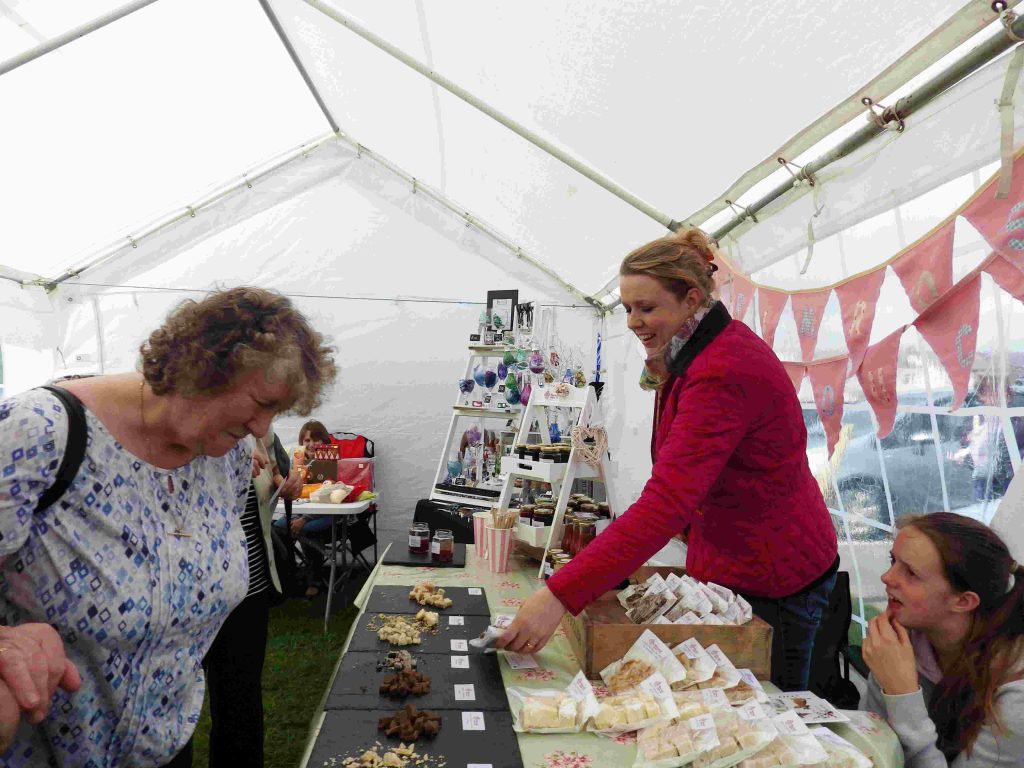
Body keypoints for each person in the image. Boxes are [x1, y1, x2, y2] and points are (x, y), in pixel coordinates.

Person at [0, 286, 336, 767]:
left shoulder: (230, 457)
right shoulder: (38, 432)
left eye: (276, 413)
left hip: (166, 750)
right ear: (203, 369)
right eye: (261, 403)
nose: (263, 429)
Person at [498, 228, 838, 691]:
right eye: (628, 309)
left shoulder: (723, 368)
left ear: (691, 298)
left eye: (647, 307)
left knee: (763, 707)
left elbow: (668, 501)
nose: (635, 321)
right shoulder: (687, 352)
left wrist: (560, 594)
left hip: (776, 573)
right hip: (730, 559)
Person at [862, 512, 1024, 766]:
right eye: (893, 560)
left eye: (911, 573)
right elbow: (870, 747)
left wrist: (902, 694)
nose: (887, 577)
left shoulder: (1017, 695)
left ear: (963, 601)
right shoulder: (905, 639)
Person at [203, 423, 303, 768]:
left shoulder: (257, 429)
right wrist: (222, 465)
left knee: (241, 702)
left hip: (252, 587)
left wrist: (288, 484)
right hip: (202, 592)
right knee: (173, 713)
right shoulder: (187, 426)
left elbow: (280, 473)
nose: (263, 419)